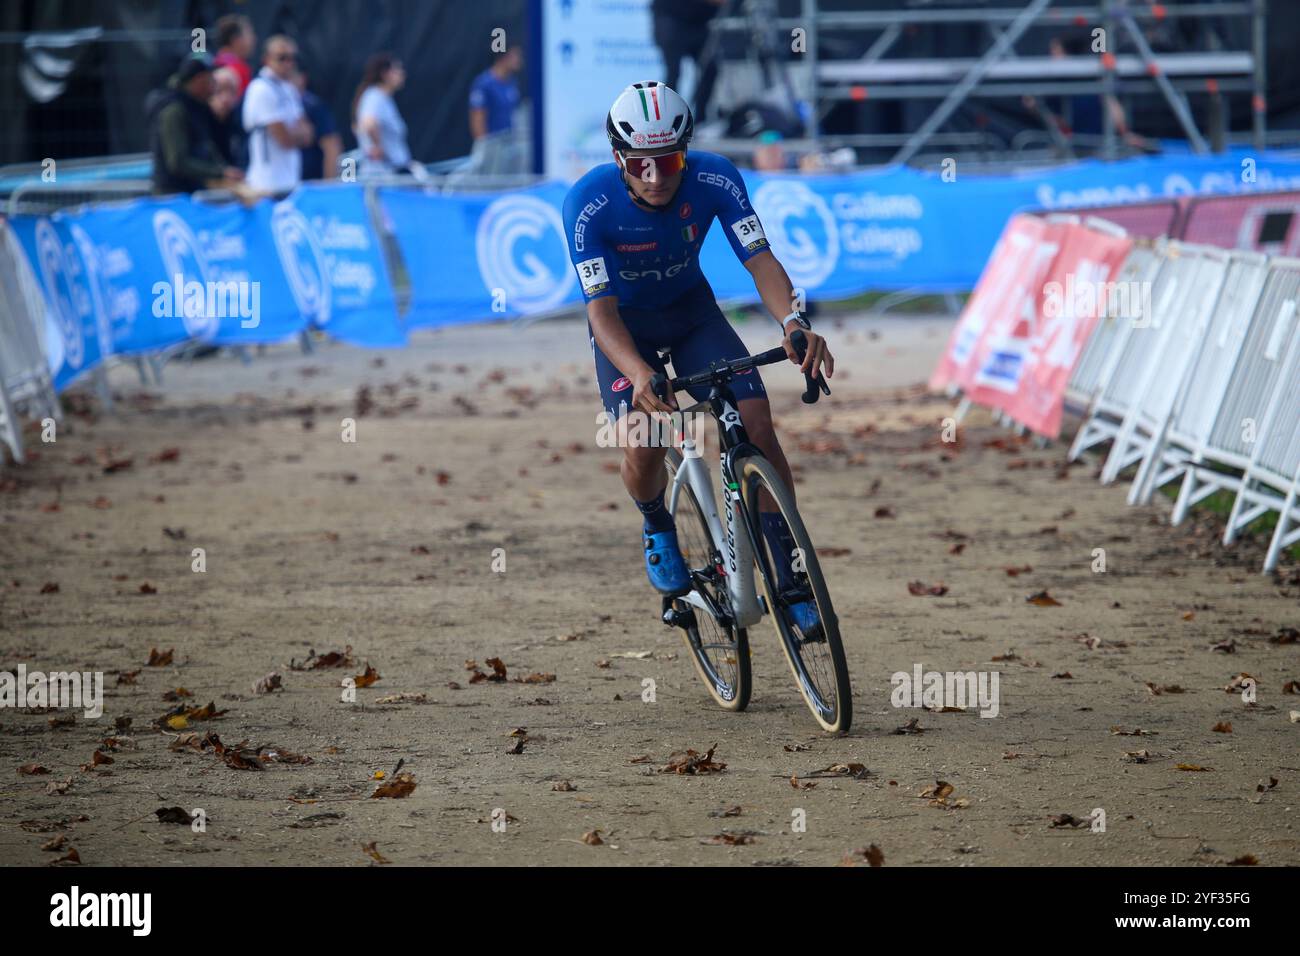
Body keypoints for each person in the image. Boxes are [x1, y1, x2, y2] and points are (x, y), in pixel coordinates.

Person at [561, 81, 832, 633]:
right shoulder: (587, 206)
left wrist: (793, 322)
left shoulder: (715, 177)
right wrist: (639, 373)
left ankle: (788, 572)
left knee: (756, 422)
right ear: (618, 158)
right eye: (640, 165)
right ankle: (656, 521)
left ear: (686, 150)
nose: (656, 178)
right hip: (625, 329)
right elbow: (601, 311)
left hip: (691, 314)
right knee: (646, 440)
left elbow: (760, 260)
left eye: (670, 160)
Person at [147, 52, 244, 196]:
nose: (214, 85)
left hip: (191, 196)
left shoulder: (197, 107)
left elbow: (208, 146)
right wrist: (219, 172)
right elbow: (178, 162)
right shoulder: (174, 110)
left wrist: (224, 170)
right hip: (173, 199)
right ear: (199, 80)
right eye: (211, 79)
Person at [242, 35, 314, 197]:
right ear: (266, 59)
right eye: (282, 58)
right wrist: (296, 134)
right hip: (266, 185)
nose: (289, 63)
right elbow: (285, 139)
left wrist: (294, 133)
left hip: (290, 182)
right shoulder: (260, 89)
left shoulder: (288, 89)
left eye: (292, 58)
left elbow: (308, 135)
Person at [652, 0, 724, 120]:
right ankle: (667, 120)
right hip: (671, 20)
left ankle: (700, 118)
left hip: (699, 22)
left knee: (710, 70)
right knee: (673, 73)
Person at [353, 52, 415, 175]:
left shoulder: (383, 98)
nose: (402, 74)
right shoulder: (375, 97)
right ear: (385, 74)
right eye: (397, 70)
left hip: (394, 175)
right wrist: (377, 146)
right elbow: (368, 124)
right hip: (383, 178)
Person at [294, 64, 341, 180]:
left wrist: (327, 187)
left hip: (309, 185)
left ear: (302, 78)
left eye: (289, 76)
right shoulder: (275, 104)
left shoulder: (311, 106)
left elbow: (331, 146)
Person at [468, 46, 522, 140]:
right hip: (493, 145)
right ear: (503, 57)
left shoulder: (512, 82)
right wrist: (485, 146)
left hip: (509, 143)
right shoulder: (484, 84)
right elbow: (477, 120)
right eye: (515, 56)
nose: (519, 60)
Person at [212, 14, 255, 96]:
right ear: (236, 40)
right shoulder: (240, 70)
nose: (253, 40)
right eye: (249, 35)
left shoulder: (214, 63)